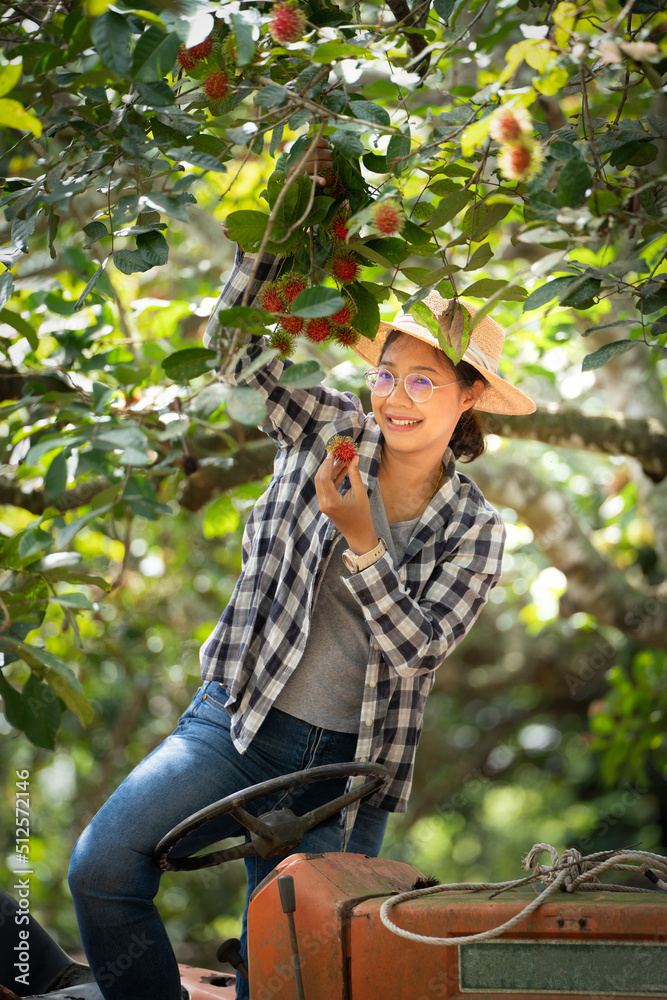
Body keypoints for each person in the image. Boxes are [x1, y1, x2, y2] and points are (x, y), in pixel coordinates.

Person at [68, 140, 536, 1000]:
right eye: (386, 373)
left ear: (468, 396)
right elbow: (238, 354)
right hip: (236, 721)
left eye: (424, 382)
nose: (394, 396)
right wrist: (284, 224)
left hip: (343, 771)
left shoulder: (475, 529)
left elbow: (417, 655)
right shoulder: (329, 430)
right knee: (101, 868)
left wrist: (361, 540)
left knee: (291, 967)